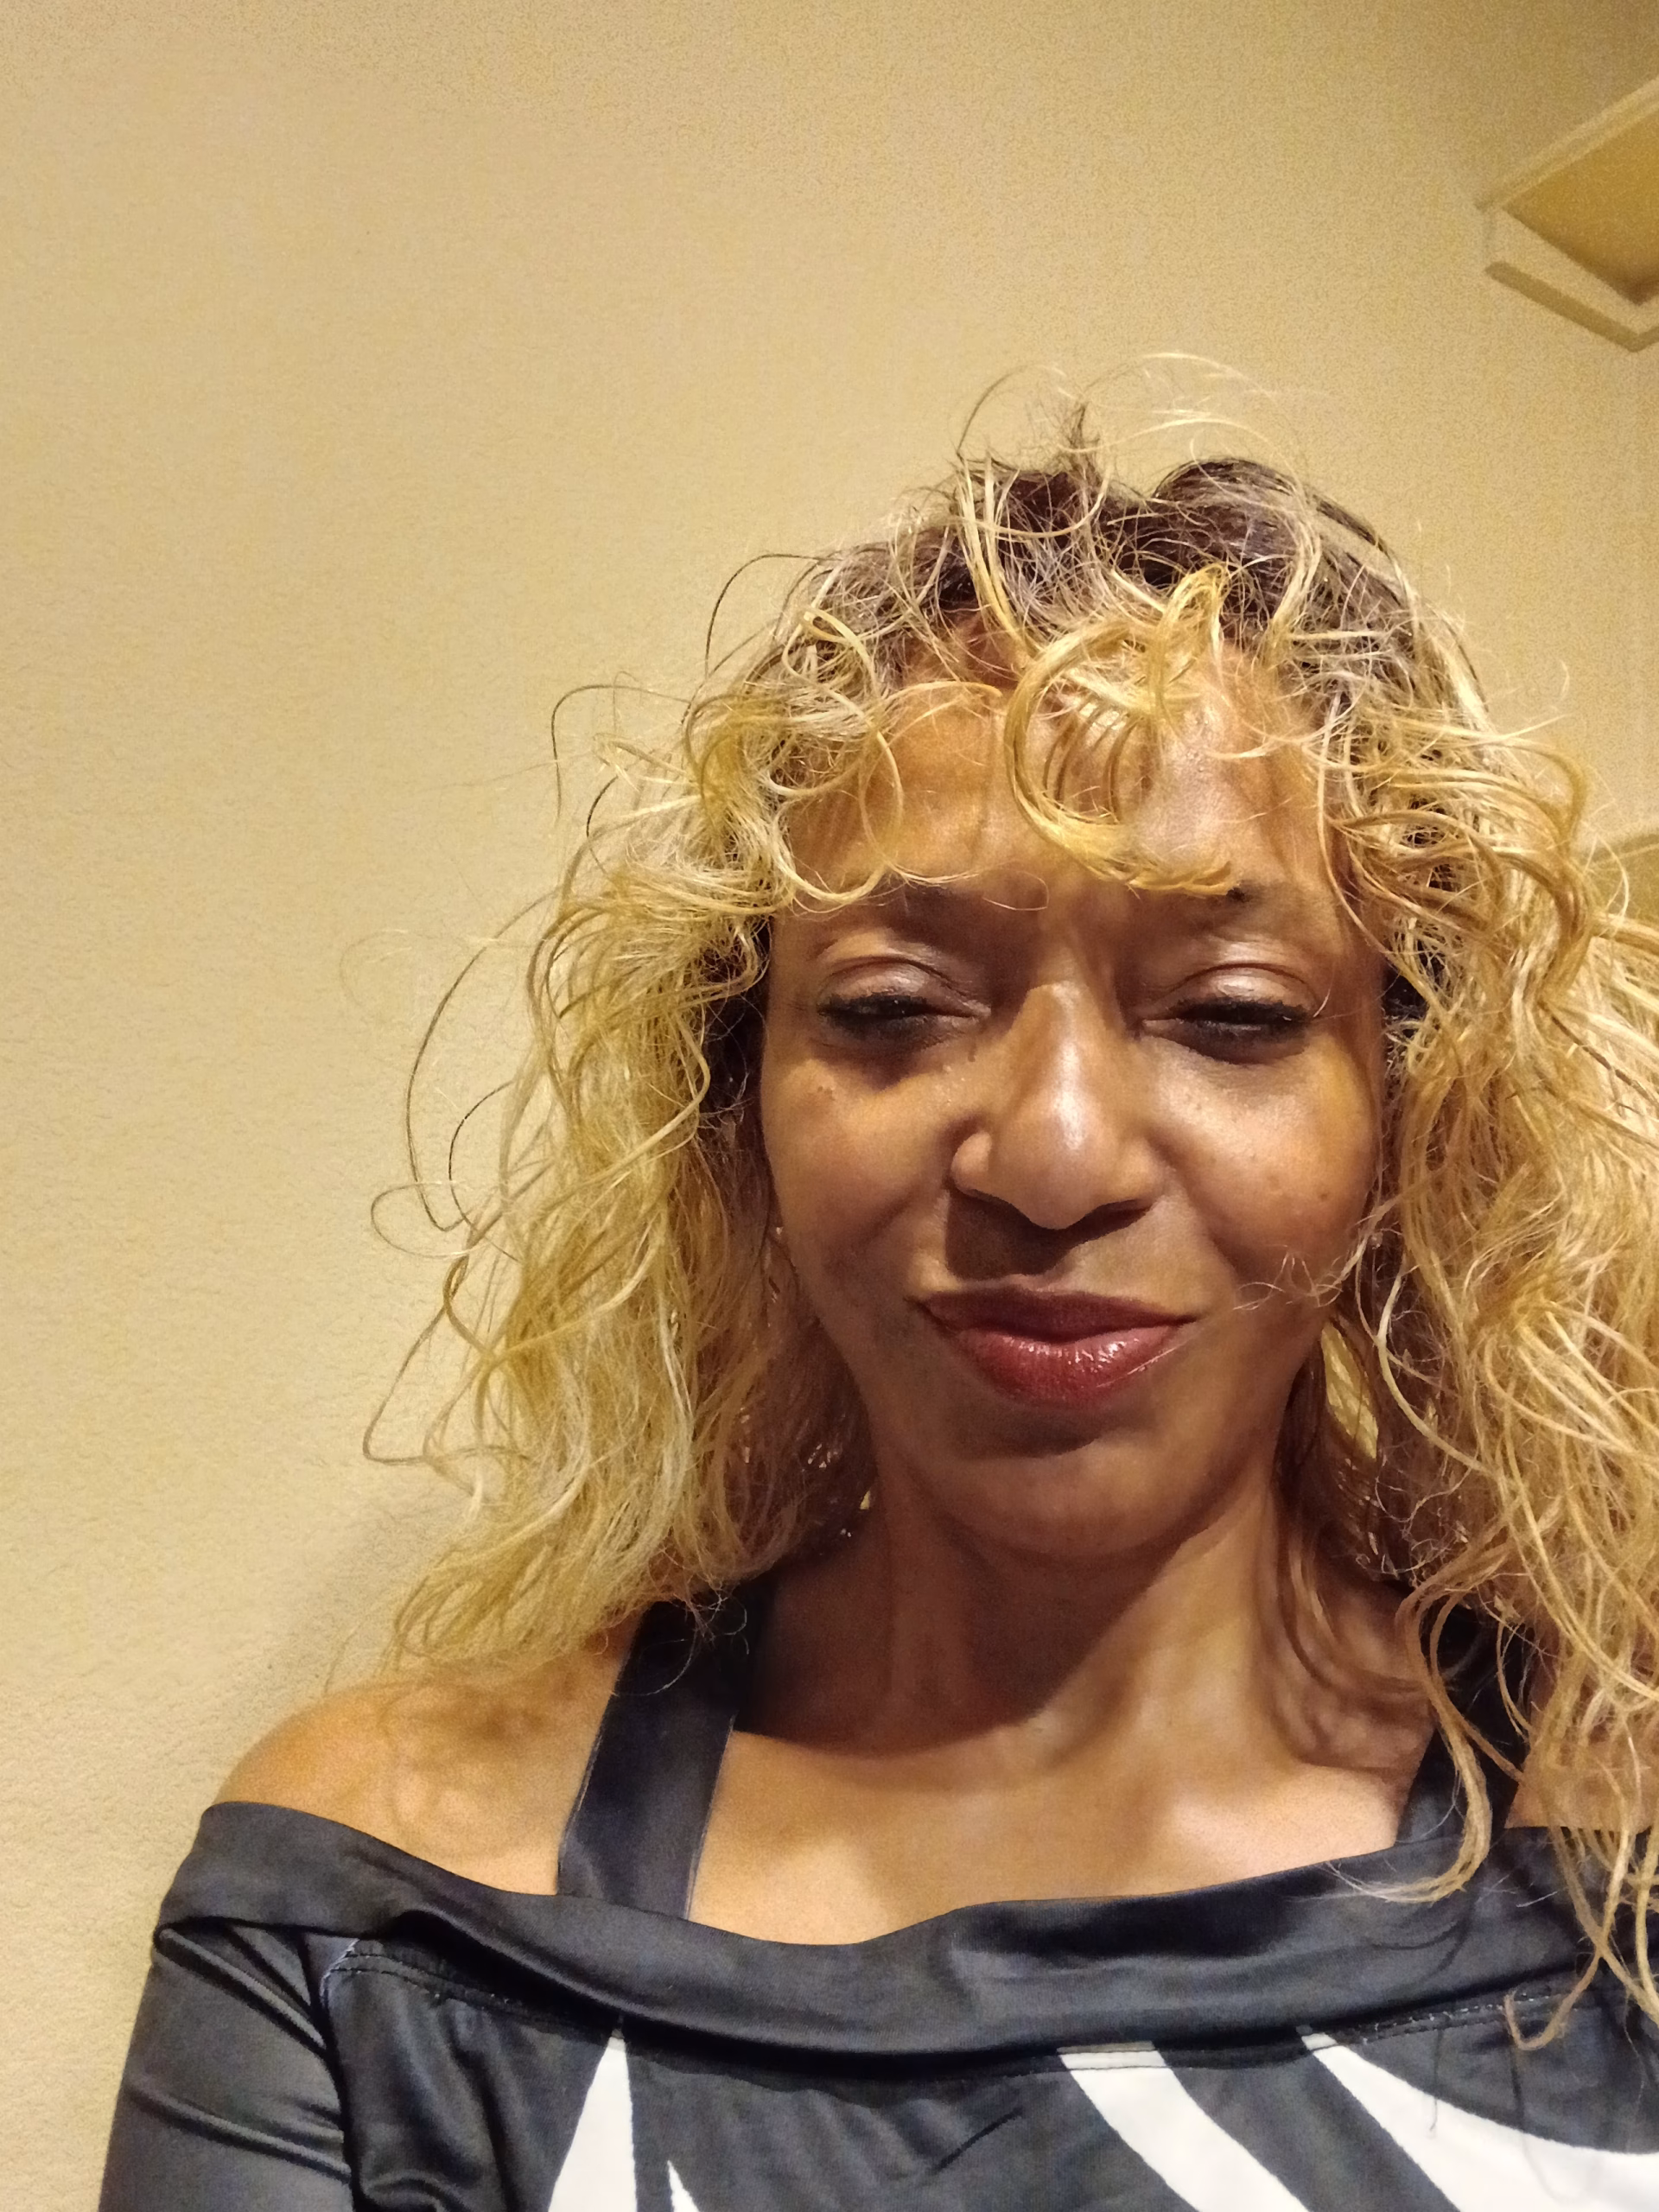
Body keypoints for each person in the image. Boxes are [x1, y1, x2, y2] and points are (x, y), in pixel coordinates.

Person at [100, 429, 1659, 2210]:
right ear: (738, 1110)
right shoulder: (387, 1916)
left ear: (1417, 1109)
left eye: (1232, 1012)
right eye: (895, 1005)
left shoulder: (1623, 1861)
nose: (1053, 1157)